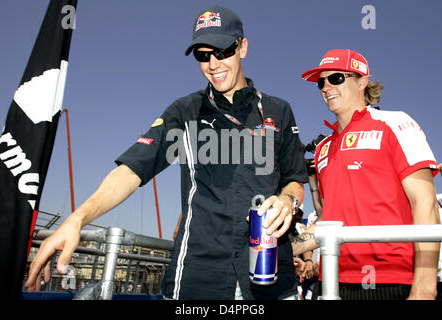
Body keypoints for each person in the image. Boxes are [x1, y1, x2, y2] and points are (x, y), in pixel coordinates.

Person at [25, 6, 308, 300]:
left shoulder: (279, 111)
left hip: (272, 278)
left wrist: (288, 200)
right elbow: (132, 170)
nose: (213, 63)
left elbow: (295, 180)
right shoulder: (184, 111)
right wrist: (78, 218)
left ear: (243, 47)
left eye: (223, 51)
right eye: (203, 54)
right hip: (197, 278)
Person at [290, 49, 440, 300]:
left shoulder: (396, 123)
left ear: (362, 81)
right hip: (330, 282)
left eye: (336, 78)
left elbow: (425, 203)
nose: (326, 87)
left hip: (389, 280)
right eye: (321, 82)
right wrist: (281, 251)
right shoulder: (323, 148)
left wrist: (424, 286)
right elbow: (329, 219)